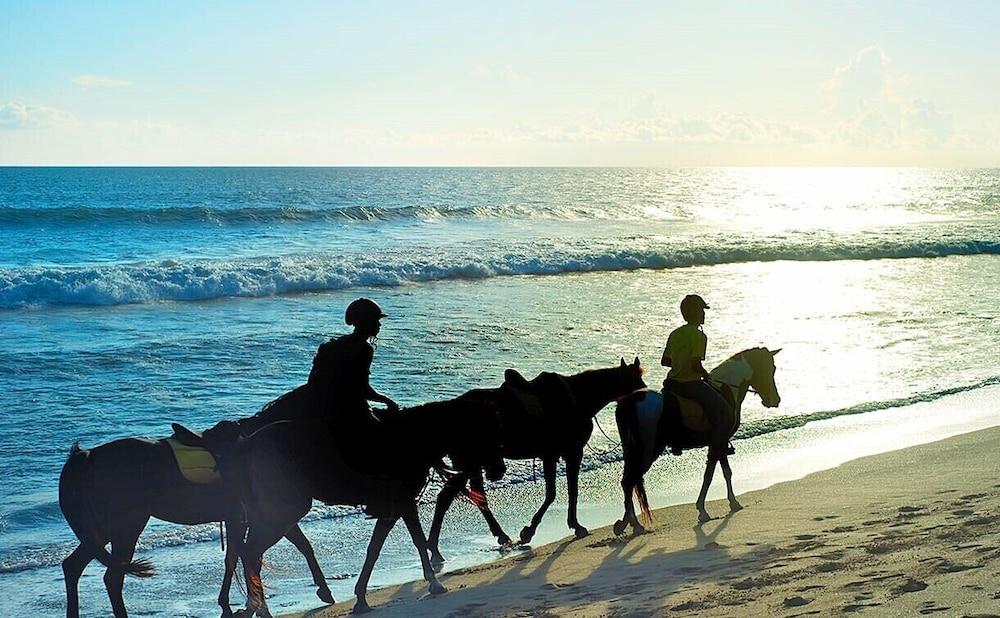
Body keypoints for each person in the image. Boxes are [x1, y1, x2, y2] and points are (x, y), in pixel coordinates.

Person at [308, 298, 399, 444]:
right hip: (346, 409)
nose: (379, 324)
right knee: (386, 439)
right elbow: (363, 389)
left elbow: (314, 381)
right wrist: (387, 401)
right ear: (365, 321)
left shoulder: (333, 345)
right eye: (375, 320)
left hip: (321, 406)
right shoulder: (364, 349)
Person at [661, 294, 731, 457]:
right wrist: (705, 374)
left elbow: (665, 361)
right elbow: (695, 364)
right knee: (721, 408)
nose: (704, 314)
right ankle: (720, 443)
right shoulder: (699, 336)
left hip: (671, 382)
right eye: (701, 311)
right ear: (696, 313)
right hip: (690, 383)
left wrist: (679, 363)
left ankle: (676, 442)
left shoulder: (675, 333)